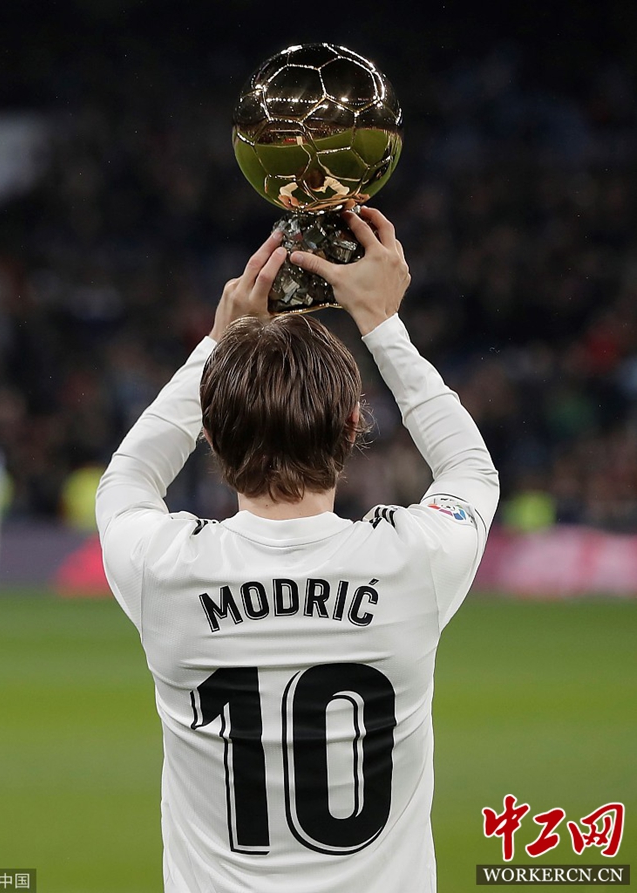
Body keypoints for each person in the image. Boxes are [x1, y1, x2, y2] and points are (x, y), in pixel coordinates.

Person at [96, 207, 499, 893]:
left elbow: (128, 478)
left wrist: (218, 342)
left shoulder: (163, 569)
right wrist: (380, 321)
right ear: (353, 426)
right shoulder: (413, 563)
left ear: (211, 434)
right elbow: (469, 469)